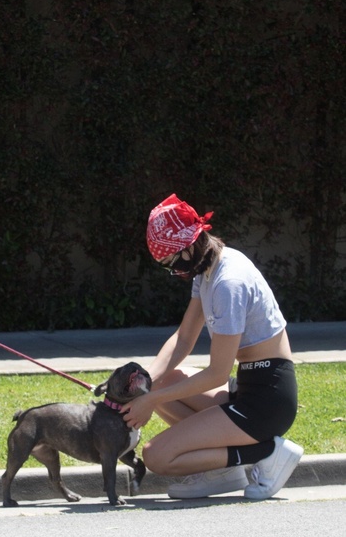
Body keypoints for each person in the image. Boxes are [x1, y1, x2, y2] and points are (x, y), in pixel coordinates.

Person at [121, 194, 303, 500]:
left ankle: (268, 452)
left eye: (171, 263)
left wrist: (151, 399)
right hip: (249, 386)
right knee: (161, 380)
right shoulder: (208, 267)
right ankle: (223, 472)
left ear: (189, 247)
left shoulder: (228, 284)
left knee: (156, 456)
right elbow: (184, 338)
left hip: (267, 402)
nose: (174, 272)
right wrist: (144, 383)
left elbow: (217, 373)